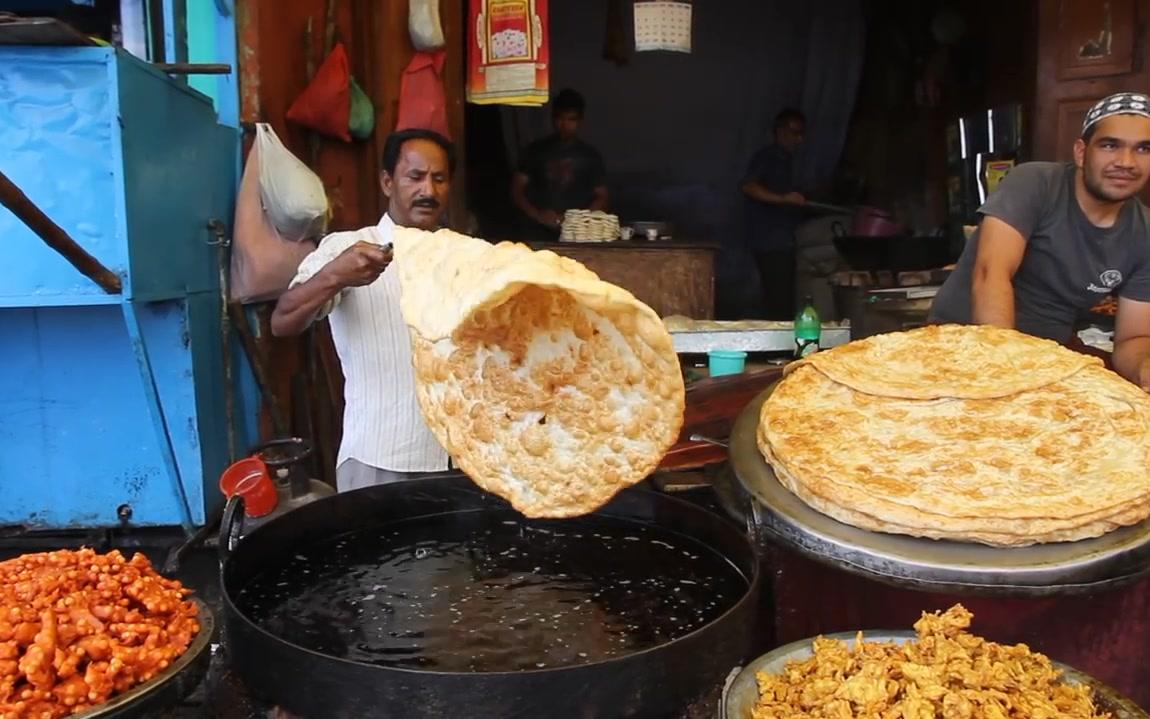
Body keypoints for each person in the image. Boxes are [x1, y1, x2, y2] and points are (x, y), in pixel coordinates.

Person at [271, 129, 454, 491]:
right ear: (387, 182)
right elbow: (283, 321)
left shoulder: (463, 258)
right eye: (415, 177)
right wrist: (336, 275)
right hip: (378, 458)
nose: (428, 191)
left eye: (439, 179)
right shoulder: (348, 249)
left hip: (456, 459)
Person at [930, 92, 1150, 390]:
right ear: (1082, 152)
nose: (1126, 162)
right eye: (1110, 145)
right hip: (958, 342)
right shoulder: (1034, 183)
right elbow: (991, 274)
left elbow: (1133, 339)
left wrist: (1143, 367)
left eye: (1143, 149)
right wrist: (1005, 366)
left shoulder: (1145, 233)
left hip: (1046, 361)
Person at [511, 88, 608, 240]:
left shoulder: (590, 156)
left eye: (571, 119)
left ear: (580, 121)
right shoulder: (534, 151)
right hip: (535, 233)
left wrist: (575, 220)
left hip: (576, 235)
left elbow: (602, 197)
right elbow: (517, 191)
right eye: (560, 118)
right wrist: (538, 215)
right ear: (552, 118)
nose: (564, 125)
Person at [741, 108, 808, 319]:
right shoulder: (767, 157)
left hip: (783, 240)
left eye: (801, 134)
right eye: (794, 133)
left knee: (783, 298)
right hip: (768, 241)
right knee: (775, 300)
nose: (799, 139)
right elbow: (749, 186)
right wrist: (784, 199)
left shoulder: (788, 162)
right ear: (779, 132)